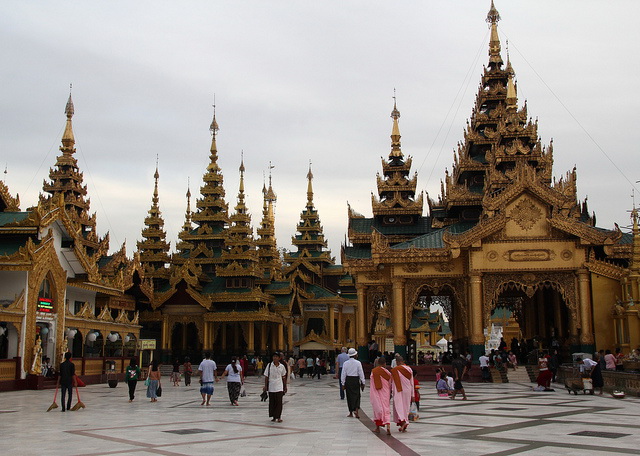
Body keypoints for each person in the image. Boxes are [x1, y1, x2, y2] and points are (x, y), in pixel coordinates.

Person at [391, 355, 413, 433]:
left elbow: (392, 382)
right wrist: (412, 394)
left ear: (397, 362)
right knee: (405, 407)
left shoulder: (395, 370)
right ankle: (404, 423)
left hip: (398, 390)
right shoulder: (409, 369)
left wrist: (391, 390)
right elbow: (412, 382)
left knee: (399, 406)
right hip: (407, 390)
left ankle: (404, 422)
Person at [369, 357, 392, 435]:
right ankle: (388, 426)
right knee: (386, 408)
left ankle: (377, 427)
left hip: (376, 392)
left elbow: (372, 383)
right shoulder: (387, 372)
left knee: (377, 408)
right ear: (385, 364)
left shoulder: (374, 372)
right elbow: (390, 383)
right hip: (385, 392)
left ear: (378, 363)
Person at [341, 348, 365, 418]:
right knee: (357, 396)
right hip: (355, 380)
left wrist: (343, 383)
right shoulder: (358, 363)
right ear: (355, 355)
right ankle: (356, 410)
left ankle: (351, 412)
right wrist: (362, 382)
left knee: (349, 396)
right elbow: (361, 373)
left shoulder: (345, 363)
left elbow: (343, 374)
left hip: (348, 380)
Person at [263, 352, 288, 422]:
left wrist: (285, 386)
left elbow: (283, 377)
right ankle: (274, 416)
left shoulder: (282, 366)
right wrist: (265, 386)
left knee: (279, 402)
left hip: (279, 386)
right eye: (274, 356)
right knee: (272, 402)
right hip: (271, 387)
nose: (275, 358)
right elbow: (266, 376)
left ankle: (278, 416)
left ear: (279, 358)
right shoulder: (269, 365)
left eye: (276, 356)